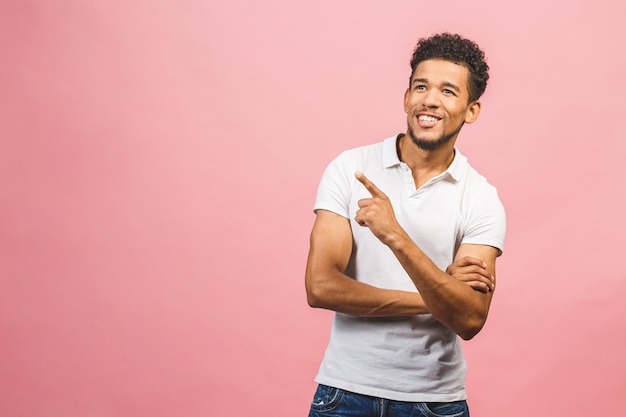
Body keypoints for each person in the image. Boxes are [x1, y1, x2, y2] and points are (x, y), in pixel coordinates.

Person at [304, 32, 506, 417]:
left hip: (435, 401)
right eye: (421, 86)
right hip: (344, 393)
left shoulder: (481, 198)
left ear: (471, 110)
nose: (429, 99)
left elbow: (468, 318)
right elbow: (320, 286)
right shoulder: (350, 168)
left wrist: (395, 235)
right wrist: (439, 296)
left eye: (448, 91)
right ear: (406, 97)